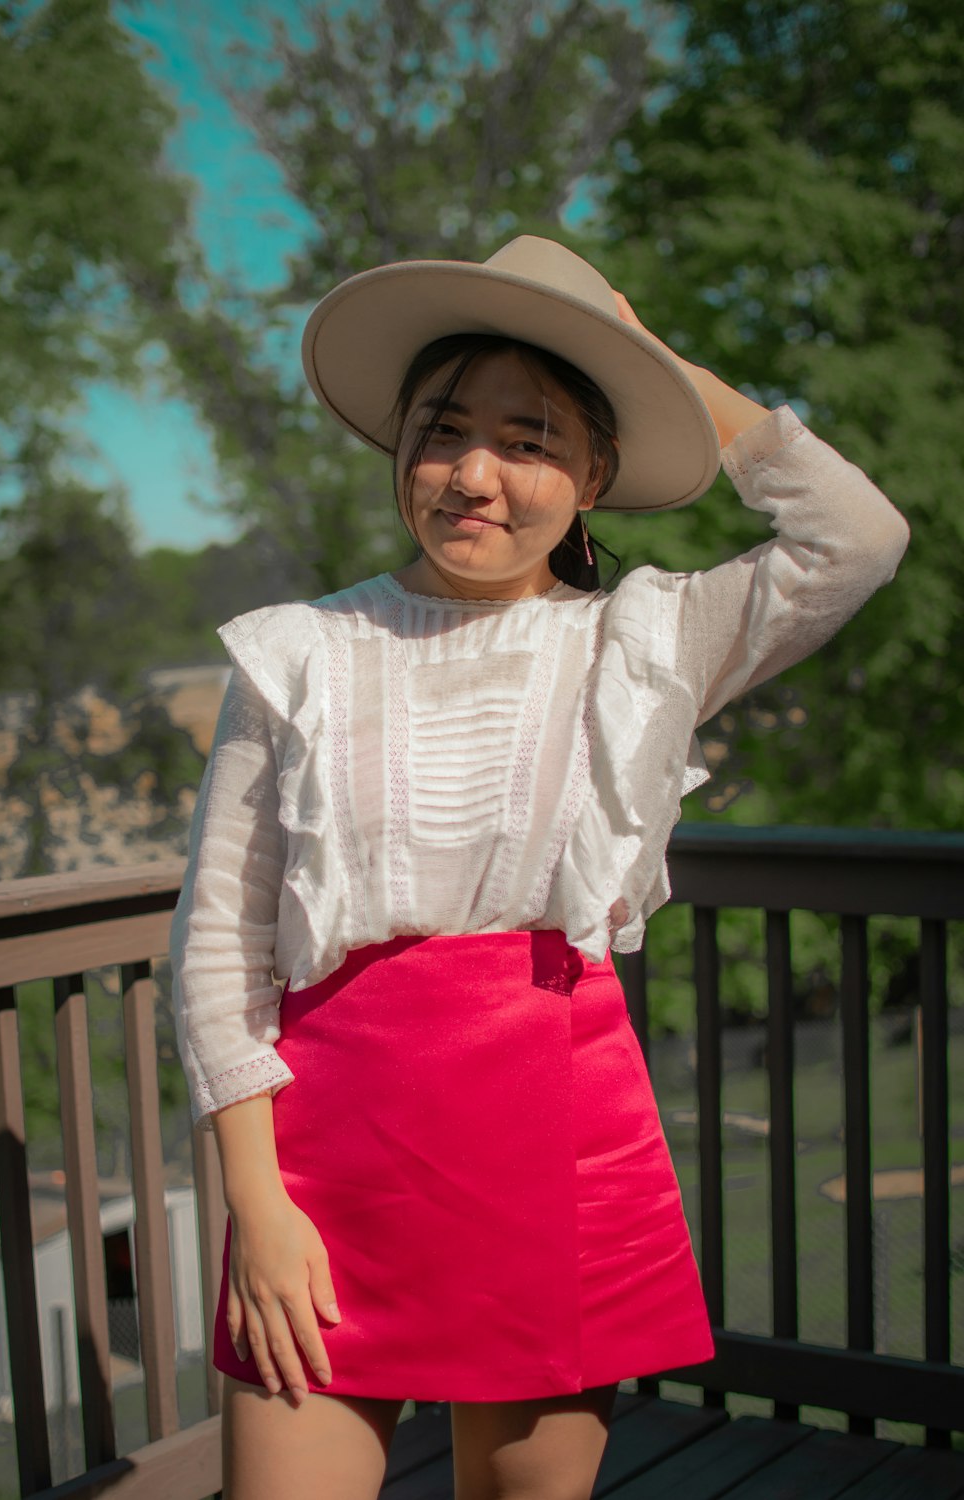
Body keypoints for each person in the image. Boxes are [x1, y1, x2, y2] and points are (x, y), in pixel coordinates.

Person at [171, 236, 909, 1500]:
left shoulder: (646, 638)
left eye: (529, 439)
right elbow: (217, 947)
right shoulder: (296, 652)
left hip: (557, 1144)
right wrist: (260, 1203)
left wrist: (657, 358)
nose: (474, 474)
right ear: (397, 443)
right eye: (443, 429)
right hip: (322, 1163)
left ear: (594, 474)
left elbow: (854, 536)